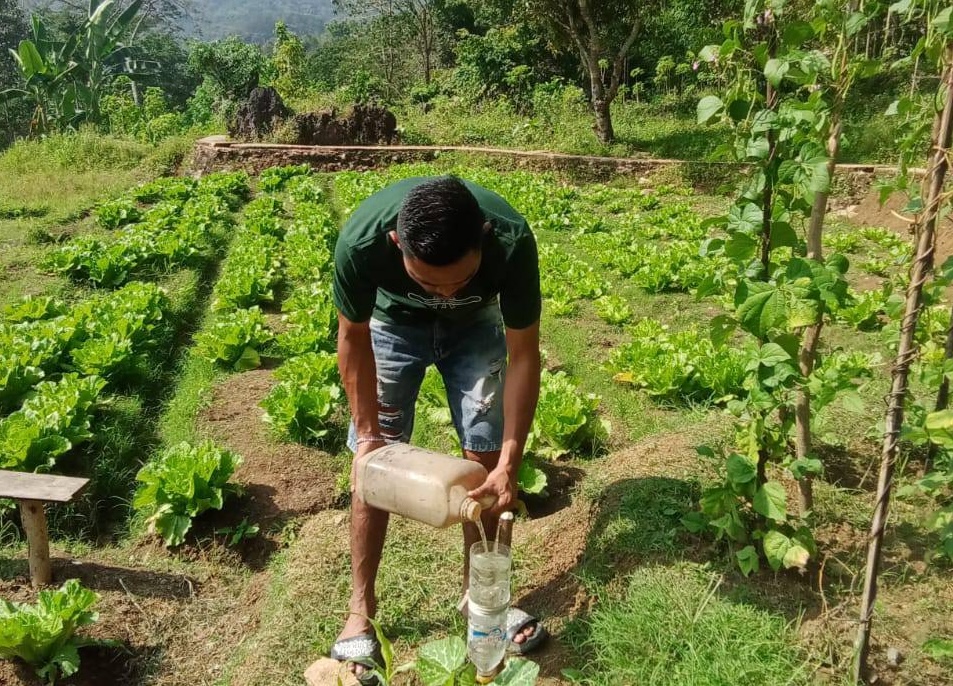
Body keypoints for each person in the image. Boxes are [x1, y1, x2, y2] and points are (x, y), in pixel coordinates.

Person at [329, 175, 548, 681]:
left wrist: (511, 459)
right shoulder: (361, 242)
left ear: (484, 237)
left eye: (460, 280)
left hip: (476, 328)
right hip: (390, 326)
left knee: (485, 460)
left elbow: (523, 354)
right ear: (396, 245)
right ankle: (360, 610)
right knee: (373, 464)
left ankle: (482, 602)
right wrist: (366, 438)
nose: (446, 293)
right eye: (431, 283)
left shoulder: (511, 241)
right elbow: (352, 335)